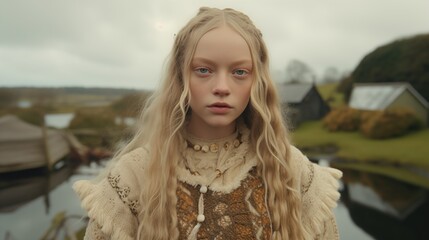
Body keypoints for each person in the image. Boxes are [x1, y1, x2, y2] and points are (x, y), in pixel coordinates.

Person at [73, 7, 342, 240]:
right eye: (203, 70)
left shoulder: (291, 171)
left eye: (239, 72)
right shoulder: (134, 175)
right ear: (181, 75)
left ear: (256, 81)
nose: (222, 87)